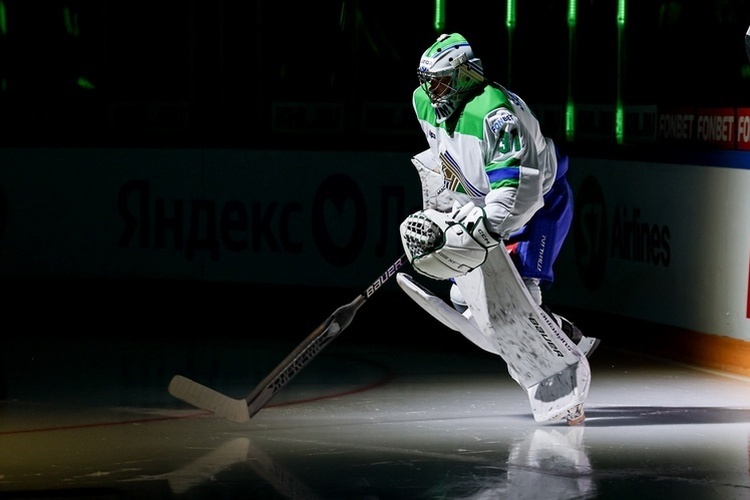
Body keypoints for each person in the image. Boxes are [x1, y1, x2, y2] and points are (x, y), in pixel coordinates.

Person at [400, 32, 598, 356]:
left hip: (540, 205)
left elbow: (517, 191)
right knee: (462, 297)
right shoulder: (423, 102)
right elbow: (445, 157)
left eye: (440, 82)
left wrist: (480, 229)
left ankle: (561, 345)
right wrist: (448, 211)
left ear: (465, 75)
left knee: (525, 296)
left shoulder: (495, 115)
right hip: (488, 209)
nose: (432, 92)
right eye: (428, 82)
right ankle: (557, 334)